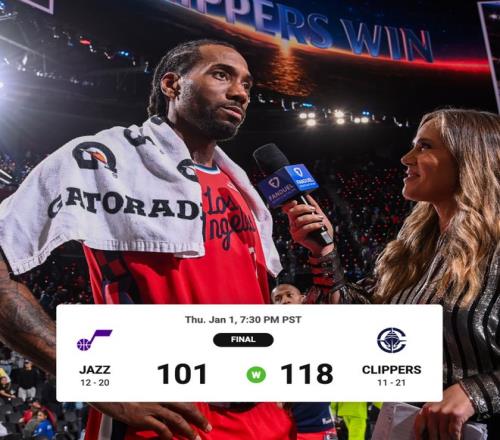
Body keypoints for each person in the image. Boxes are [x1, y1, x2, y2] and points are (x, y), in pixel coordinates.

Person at [0, 39, 332, 439]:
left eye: (247, 83)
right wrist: (92, 378)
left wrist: (323, 256)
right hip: (166, 419)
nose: (241, 92)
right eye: (222, 75)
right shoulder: (102, 160)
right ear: (172, 85)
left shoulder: (241, 190)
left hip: (262, 418)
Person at [283, 109, 500, 439]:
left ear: (469, 159)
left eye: (425, 146)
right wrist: (324, 251)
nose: (406, 158)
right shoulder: (412, 250)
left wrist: (476, 393)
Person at [271, 284, 336, 440]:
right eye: (278, 299)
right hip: (283, 425)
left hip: (318, 425)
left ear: (302, 299)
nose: (284, 301)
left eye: (289, 295)